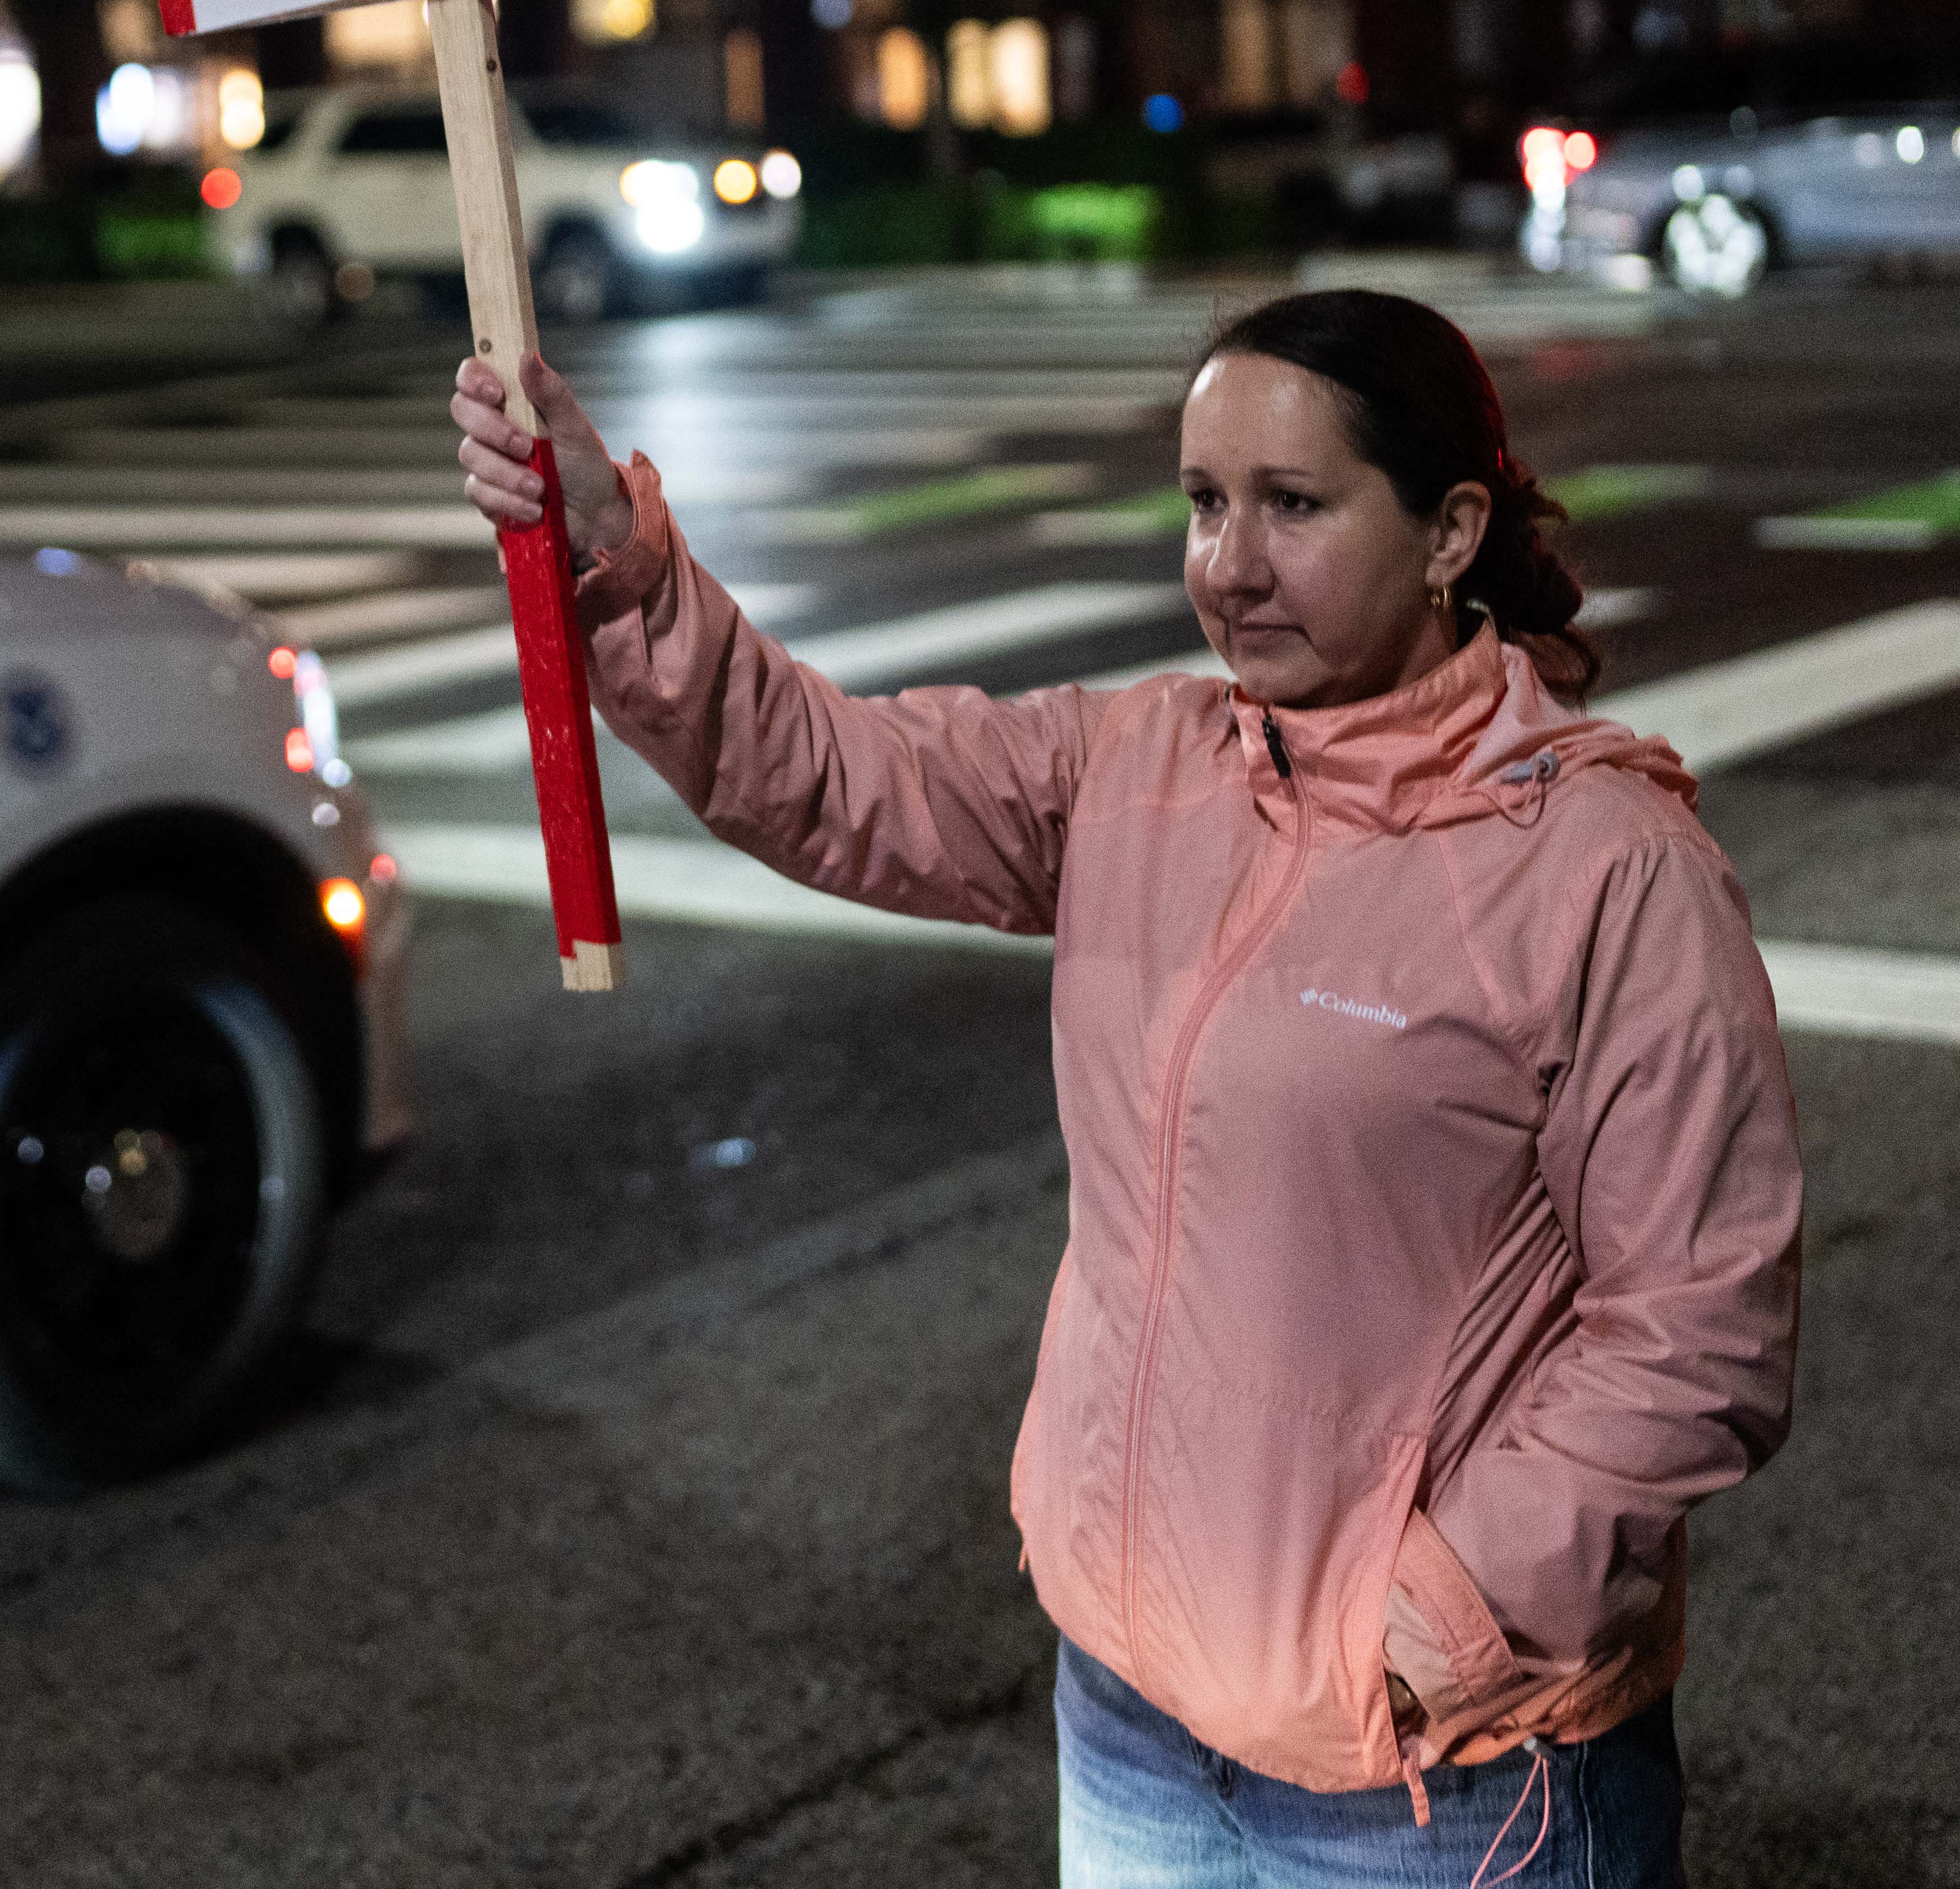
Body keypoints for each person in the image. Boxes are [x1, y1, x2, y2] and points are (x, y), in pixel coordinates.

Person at [453, 289, 1801, 1887]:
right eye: (1204, 502)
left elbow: (1700, 1323)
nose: (1230, 562)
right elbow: (818, 773)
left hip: (1438, 1780)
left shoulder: (1601, 870)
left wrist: (1436, 1628)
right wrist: (621, 562)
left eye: (1293, 506)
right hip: (1136, 1718)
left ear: (1450, 533)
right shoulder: (1139, 767)